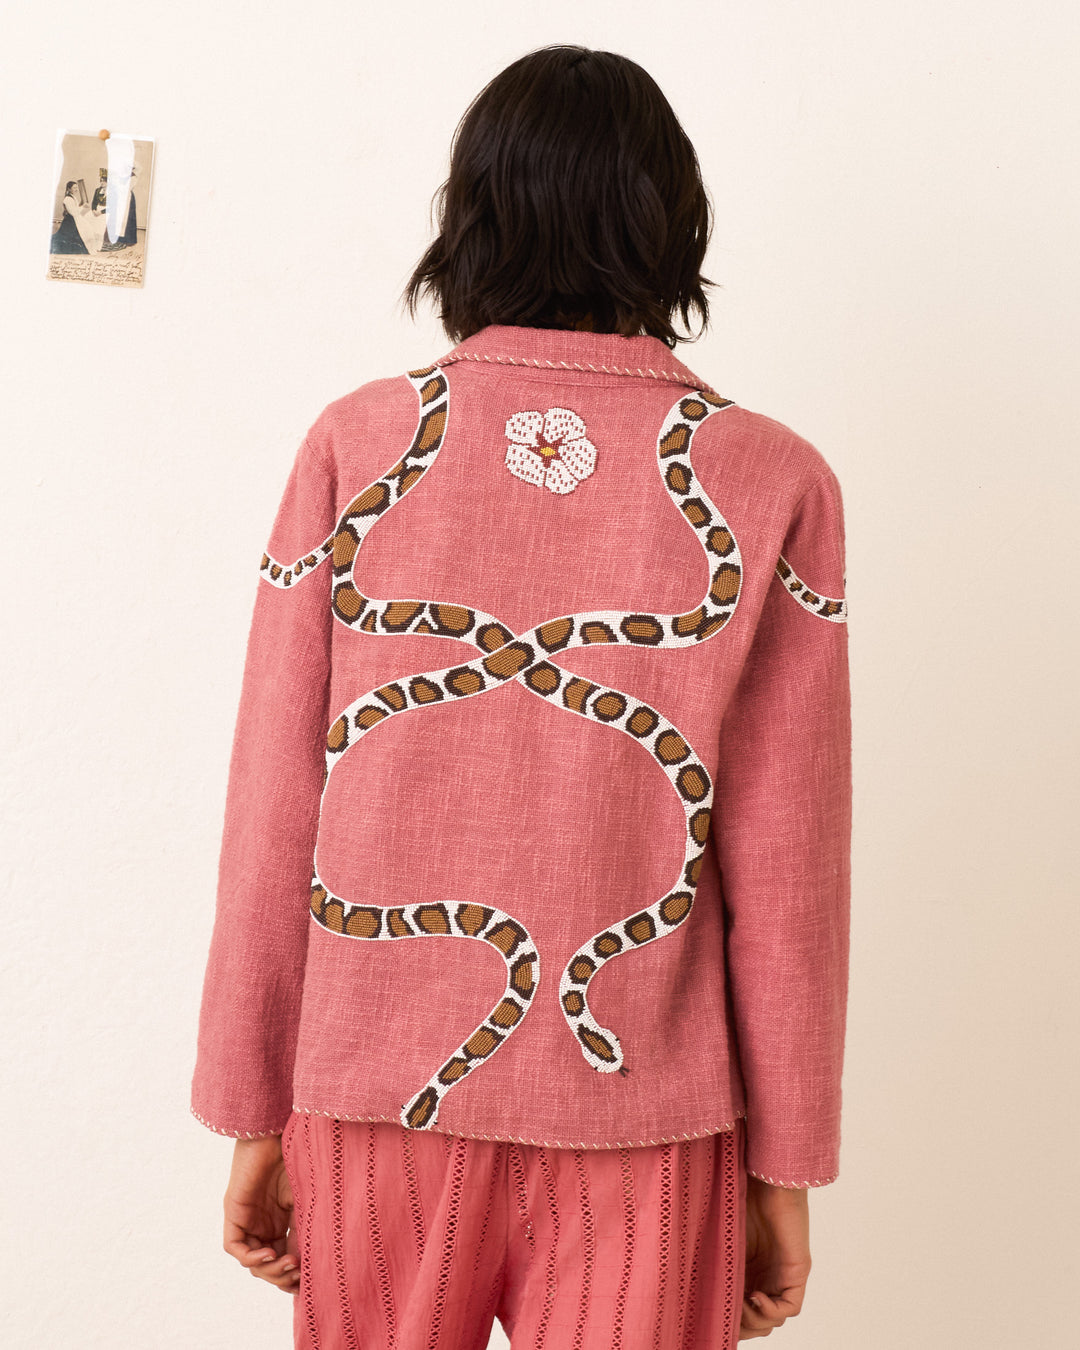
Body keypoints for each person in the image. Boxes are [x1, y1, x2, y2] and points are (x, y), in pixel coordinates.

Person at [190, 43, 852, 1349]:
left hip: (375, 1092)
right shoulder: (772, 479)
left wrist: (254, 1110)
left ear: (471, 216)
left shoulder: (358, 446)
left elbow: (274, 804)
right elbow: (789, 866)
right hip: (645, 1112)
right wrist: (786, 1166)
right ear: (674, 222)